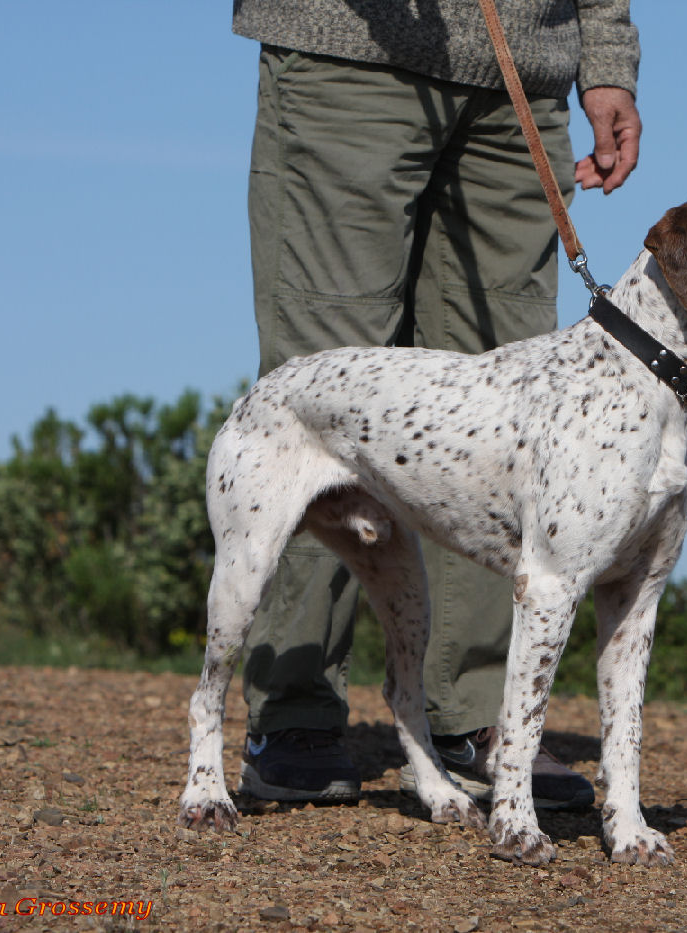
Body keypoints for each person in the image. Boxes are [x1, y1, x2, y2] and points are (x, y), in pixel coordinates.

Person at [229, 0, 642, 811]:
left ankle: (482, 717)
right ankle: (296, 710)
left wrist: (606, 57)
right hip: (345, 53)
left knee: (508, 416)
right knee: (323, 386)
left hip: (522, 71)